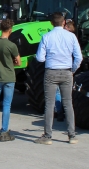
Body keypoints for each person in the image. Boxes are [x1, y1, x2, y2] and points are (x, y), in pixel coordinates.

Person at [35, 12, 82, 145]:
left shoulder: (46, 36)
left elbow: (40, 58)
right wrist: (72, 70)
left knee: (49, 104)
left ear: (51, 23)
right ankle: (72, 135)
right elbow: (79, 57)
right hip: (67, 71)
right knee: (68, 103)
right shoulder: (71, 36)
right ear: (63, 23)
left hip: (51, 71)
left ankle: (48, 136)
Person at [55, 20, 79, 121]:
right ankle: (66, 112)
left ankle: (59, 111)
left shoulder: (54, 37)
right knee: (67, 93)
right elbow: (78, 57)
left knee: (57, 92)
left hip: (55, 67)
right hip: (68, 68)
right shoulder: (72, 38)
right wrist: (73, 69)